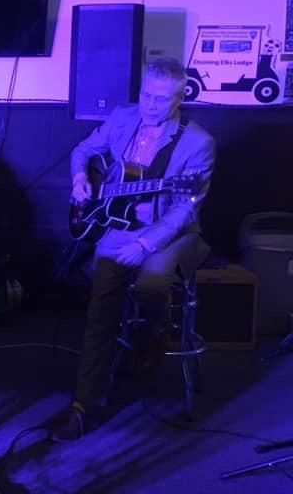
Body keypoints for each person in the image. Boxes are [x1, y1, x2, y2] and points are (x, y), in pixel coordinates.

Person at [49, 57, 215, 442]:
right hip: (116, 225)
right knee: (100, 310)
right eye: (146, 95)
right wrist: (80, 180)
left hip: (168, 230)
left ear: (179, 99)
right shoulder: (123, 117)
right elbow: (82, 151)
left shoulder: (198, 143)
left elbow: (183, 210)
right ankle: (83, 407)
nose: (150, 105)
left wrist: (145, 244)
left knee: (152, 283)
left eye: (161, 99)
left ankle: (153, 336)